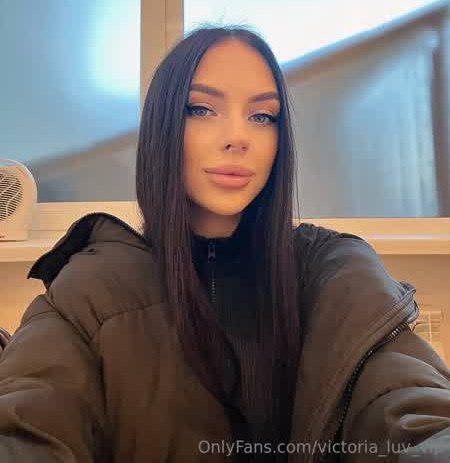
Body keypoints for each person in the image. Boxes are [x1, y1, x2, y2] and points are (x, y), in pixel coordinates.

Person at [0, 26, 449, 463]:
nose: (238, 137)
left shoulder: (334, 270)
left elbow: (412, 402)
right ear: (161, 128)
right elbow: (30, 425)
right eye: (202, 109)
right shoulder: (90, 291)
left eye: (262, 116)